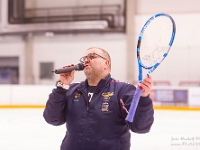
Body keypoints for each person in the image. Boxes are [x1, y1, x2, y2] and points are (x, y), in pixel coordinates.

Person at [43, 47, 154, 150]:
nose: (86, 60)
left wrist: (144, 99)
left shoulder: (122, 90)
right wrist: (62, 86)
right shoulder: (72, 90)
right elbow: (52, 119)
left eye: (92, 57)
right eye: (85, 58)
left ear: (106, 63)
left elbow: (140, 127)